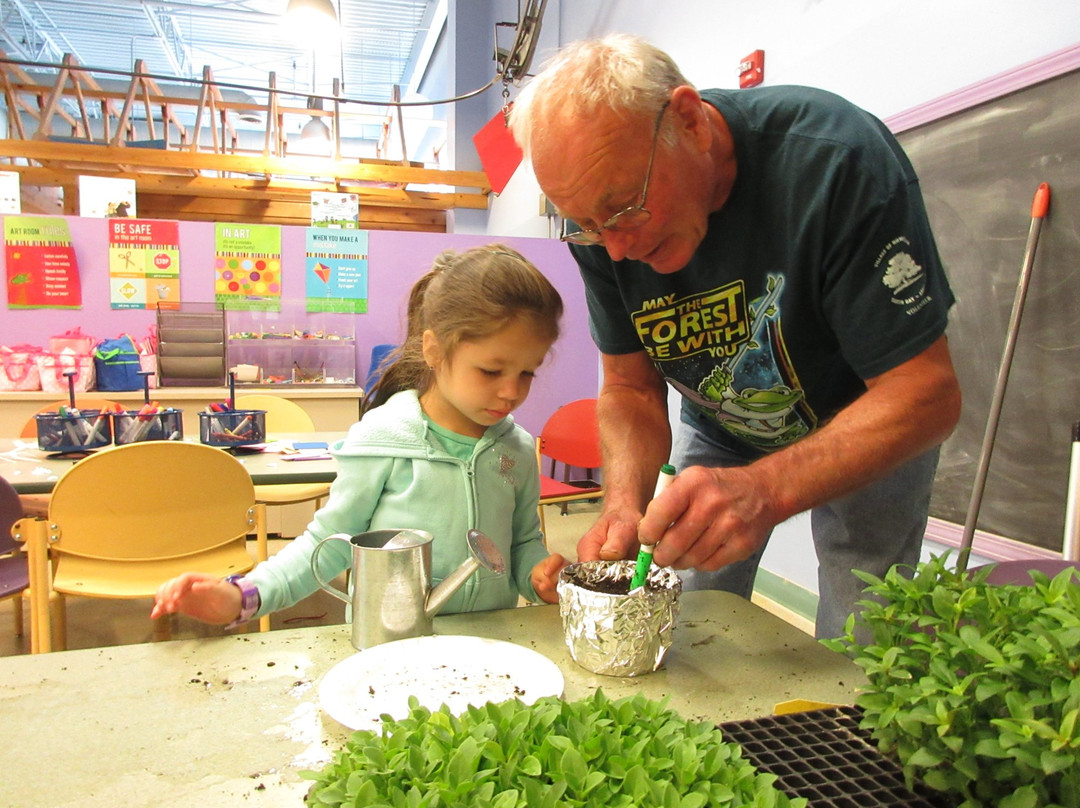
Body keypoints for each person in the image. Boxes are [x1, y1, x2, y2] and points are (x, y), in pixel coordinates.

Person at [508, 34, 962, 639]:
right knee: (685, 610)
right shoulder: (603, 224)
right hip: (722, 419)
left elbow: (926, 392)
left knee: (864, 626)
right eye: (589, 225)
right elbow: (631, 388)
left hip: (867, 418)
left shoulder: (835, 162)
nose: (617, 249)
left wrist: (767, 488)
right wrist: (622, 504)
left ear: (690, 122)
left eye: (624, 209)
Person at [152, 245, 569, 629]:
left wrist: (538, 576)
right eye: (491, 371)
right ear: (434, 350)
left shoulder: (516, 448)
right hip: (392, 648)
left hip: (490, 648)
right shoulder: (383, 439)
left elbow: (521, 543)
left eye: (527, 373)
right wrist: (243, 596)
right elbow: (327, 544)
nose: (511, 392)